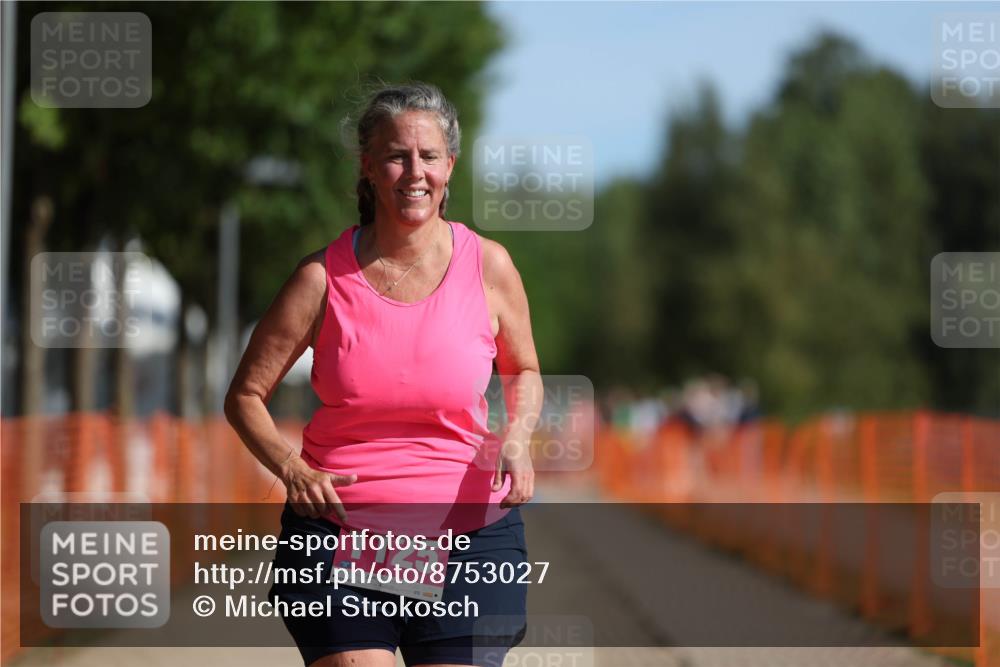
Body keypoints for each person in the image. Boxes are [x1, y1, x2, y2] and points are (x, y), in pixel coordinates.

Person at [224, 82, 542, 667]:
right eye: (396, 156)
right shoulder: (321, 279)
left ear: (450, 165)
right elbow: (244, 395)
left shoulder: (489, 266)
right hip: (340, 529)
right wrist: (292, 469)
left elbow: (522, 368)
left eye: (429, 156)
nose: (414, 172)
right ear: (368, 168)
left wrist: (517, 436)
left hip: (468, 534)